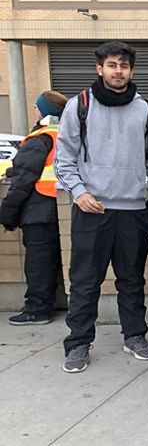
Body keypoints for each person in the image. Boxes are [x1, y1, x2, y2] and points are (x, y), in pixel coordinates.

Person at [54, 41, 148, 373]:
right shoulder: (80, 106)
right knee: (86, 280)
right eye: (112, 65)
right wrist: (78, 192)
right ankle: (78, 343)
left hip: (132, 210)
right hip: (92, 208)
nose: (119, 71)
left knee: (132, 279)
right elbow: (63, 158)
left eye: (124, 65)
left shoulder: (146, 110)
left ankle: (135, 336)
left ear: (132, 70)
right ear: (99, 68)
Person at [1, 91, 68, 325]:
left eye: (36, 106)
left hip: (39, 208)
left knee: (39, 262)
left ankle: (37, 310)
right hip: (60, 207)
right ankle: (52, 303)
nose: (35, 110)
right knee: (54, 260)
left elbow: (22, 180)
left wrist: (7, 214)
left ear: (44, 111)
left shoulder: (40, 138)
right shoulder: (64, 134)